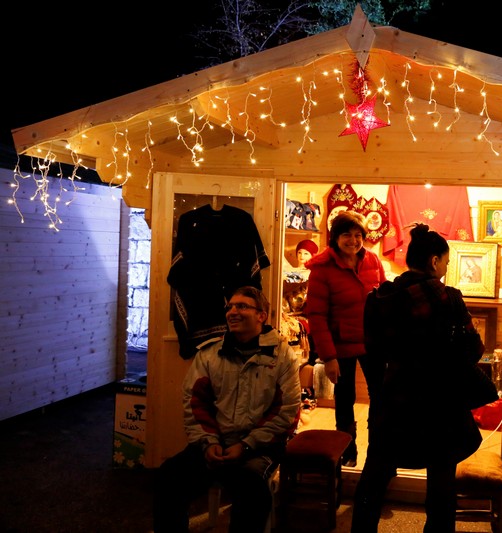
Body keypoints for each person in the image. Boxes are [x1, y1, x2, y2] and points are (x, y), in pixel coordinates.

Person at [350, 223, 484, 533]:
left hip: (393, 400)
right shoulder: (448, 298)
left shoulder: (379, 298)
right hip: (441, 404)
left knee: (374, 478)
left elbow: (370, 354)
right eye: (447, 263)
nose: (446, 269)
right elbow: (473, 350)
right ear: (435, 261)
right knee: (441, 483)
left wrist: (379, 393)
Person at [153, 286, 302, 533]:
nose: (233, 311)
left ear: (261, 316)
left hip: (259, 446)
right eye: (230, 307)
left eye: (242, 306)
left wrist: (246, 445)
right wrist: (209, 442)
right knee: (168, 479)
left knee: (252, 491)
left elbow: (287, 411)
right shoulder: (210, 354)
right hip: (214, 443)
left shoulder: (282, 355)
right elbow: (195, 402)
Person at [304, 211, 387, 467]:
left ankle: (379, 452)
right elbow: (316, 315)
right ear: (335, 238)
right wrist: (328, 357)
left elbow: (384, 297)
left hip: (373, 342)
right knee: (344, 399)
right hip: (340, 346)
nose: (353, 240)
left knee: (382, 397)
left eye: (358, 235)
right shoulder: (321, 268)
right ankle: (347, 452)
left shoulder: (372, 260)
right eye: (346, 235)